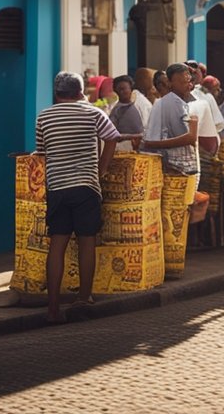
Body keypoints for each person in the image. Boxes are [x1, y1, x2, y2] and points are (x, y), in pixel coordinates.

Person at [35, 72, 120, 324]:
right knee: (86, 242)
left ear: (57, 93)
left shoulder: (44, 116)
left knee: (57, 245)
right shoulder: (93, 112)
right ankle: (83, 297)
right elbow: (113, 138)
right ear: (80, 93)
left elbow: (42, 152)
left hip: (57, 188)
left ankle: (52, 307)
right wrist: (102, 169)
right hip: (86, 187)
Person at [142, 63, 202, 197]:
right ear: (170, 83)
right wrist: (153, 144)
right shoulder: (172, 103)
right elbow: (189, 138)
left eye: (188, 81)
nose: (188, 86)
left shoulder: (180, 102)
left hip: (182, 169)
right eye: (182, 82)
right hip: (178, 170)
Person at [108, 75, 146, 152]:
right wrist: (134, 136)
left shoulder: (139, 104)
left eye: (124, 89)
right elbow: (111, 134)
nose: (122, 92)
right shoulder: (117, 111)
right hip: (125, 150)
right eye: (119, 89)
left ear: (131, 89)